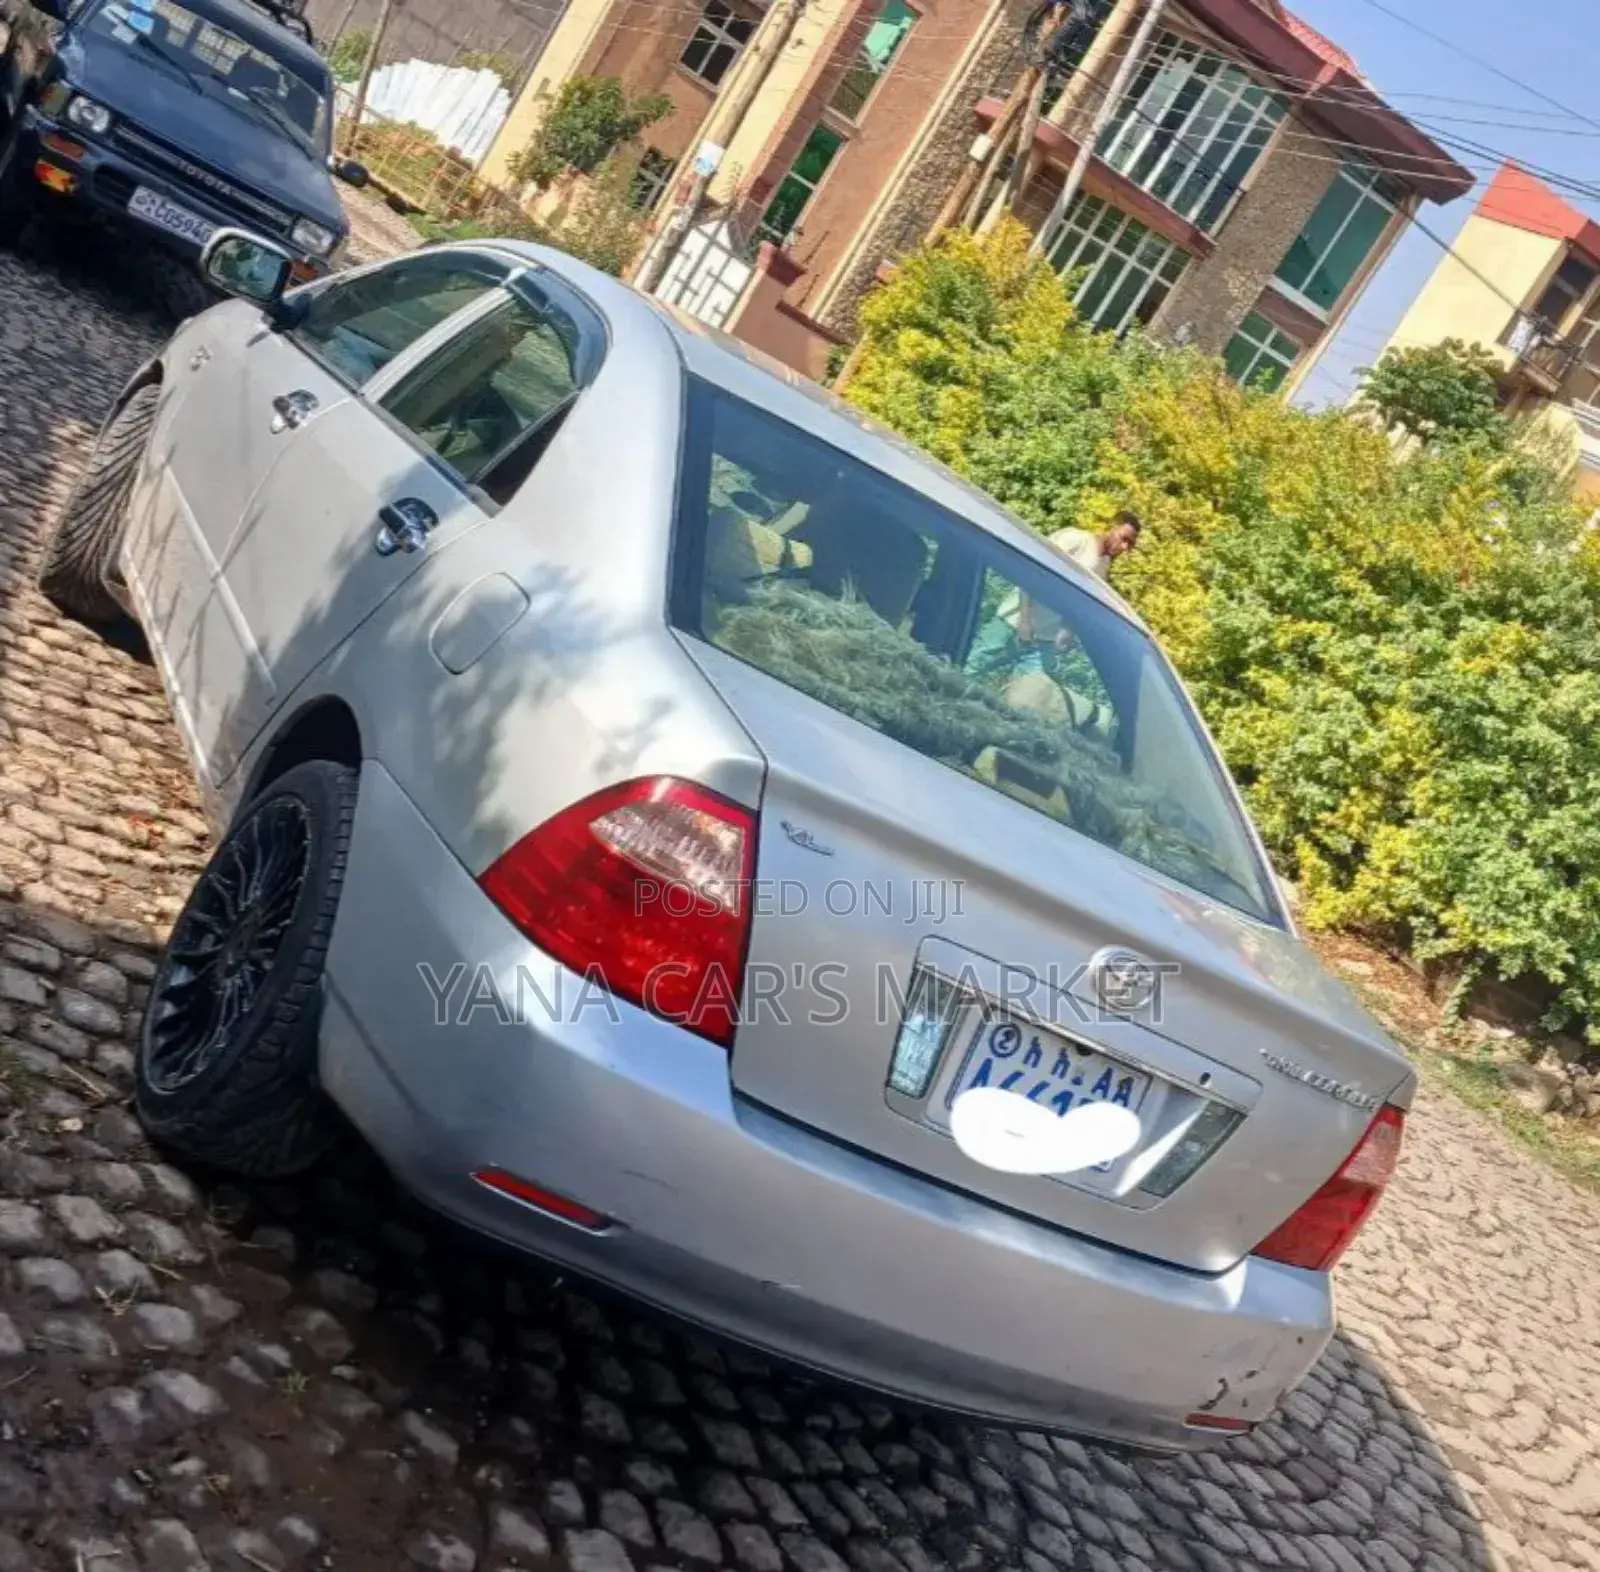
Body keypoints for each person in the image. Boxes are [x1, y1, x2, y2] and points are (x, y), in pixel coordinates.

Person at [966, 511, 1142, 681]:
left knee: (1029, 695)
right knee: (970, 670)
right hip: (1013, 623)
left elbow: (1078, 605)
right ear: (1111, 527)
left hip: (1043, 641)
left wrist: (1067, 630)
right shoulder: (1076, 540)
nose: (1124, 547)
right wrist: (1025, 619)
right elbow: (1032, 569)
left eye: (1130, 545)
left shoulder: (1102, 569)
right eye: (1123, 538)